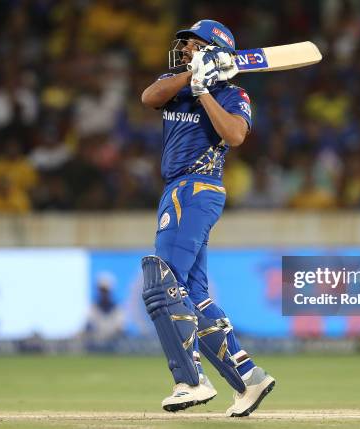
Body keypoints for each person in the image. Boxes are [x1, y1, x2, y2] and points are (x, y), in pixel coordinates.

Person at [139, 20, 275, 417]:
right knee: (192, 295)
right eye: (183, 45)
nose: (183, 49)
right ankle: (249, 378)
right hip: (179, 190)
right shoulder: (175, 83)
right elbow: (149, 97)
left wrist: (204, 92)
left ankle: (191, 380)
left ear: (214, 50)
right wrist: (191, 77)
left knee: (162, 282)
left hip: (196, 188)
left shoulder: (234, 94)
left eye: (192, 46)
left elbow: (234, 136)